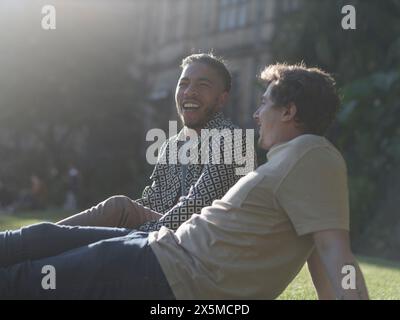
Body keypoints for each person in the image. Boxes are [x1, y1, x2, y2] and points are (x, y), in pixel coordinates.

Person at [0, 63, 369, 300]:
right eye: (184, 83)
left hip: (165, 269)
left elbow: (333, 252)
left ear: (289, 111)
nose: (256, 115)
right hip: (163, 249)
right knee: (38, 238)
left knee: (26, 279)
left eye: (264, 105)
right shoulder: (294, 161)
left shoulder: (310, 155)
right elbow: (320, 253)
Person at [56, 53, 252, 232]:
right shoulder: (173, 144)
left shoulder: (234, 139)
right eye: (183, 84)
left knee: (111, 218)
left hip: (201, 241)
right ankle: (34, 242)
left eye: (202, 85)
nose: (189, 92)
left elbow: (199, 205)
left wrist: (142, 232)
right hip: (166, 231)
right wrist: (122, 224)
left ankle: (37, 242)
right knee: (118, 207)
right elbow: (154, 200)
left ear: (221, 100)